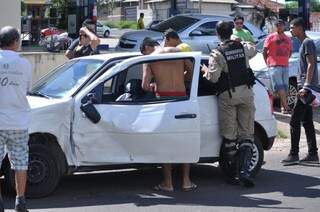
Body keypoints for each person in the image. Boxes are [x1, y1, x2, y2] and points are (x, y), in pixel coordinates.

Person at [202, 21, 257, 187]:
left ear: (217, 34)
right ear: (231, 31)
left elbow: (214, 78)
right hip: (247, 94)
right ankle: (245, 171)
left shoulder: (217, 53)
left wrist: (205, 71)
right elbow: (253, 48)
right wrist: (238, 40)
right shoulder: (241, 47)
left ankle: (233, 173)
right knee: (247, 133)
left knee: (229, 135)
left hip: (229, 96)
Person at [140, 38, 196, 192]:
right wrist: (179, 79)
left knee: (165, 143)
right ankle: (186, 181)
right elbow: (192, 73)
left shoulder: (150, 58)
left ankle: (168, 183)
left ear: (147, 48)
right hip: (182, 98)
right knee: (184, 142)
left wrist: (154, 84)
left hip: (163, 100)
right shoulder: (178, 52)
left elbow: (144, 85)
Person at [0, 26, 32, 212]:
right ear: (14, 42)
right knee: (21, 162)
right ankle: (20, 201)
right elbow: (26, 89)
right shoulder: (24, 65)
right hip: (18, 122)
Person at [281, 17, 319, 165]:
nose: (290, 30)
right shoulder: (304, 43)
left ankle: (294, 154)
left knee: (294, 121)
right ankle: (313, 153)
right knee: (307, 121)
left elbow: (311, 64)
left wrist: (306, 86)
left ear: (300, 28)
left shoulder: (308, 42)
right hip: (304, 87)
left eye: (292, 27)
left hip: (306, 88)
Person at [263, 19, 292, 114]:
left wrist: (285, 59)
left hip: (285, 65)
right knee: (279, 87)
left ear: (284, 26)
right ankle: (286, 106)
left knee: (285, 87)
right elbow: (264, 51)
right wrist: (267, 62)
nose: (279, 27)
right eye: (278, 25)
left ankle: (283, 107)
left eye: (281, 25)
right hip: (274, 65)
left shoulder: (288, 38)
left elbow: (290, 52)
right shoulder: (270, 37)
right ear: (275, 27)